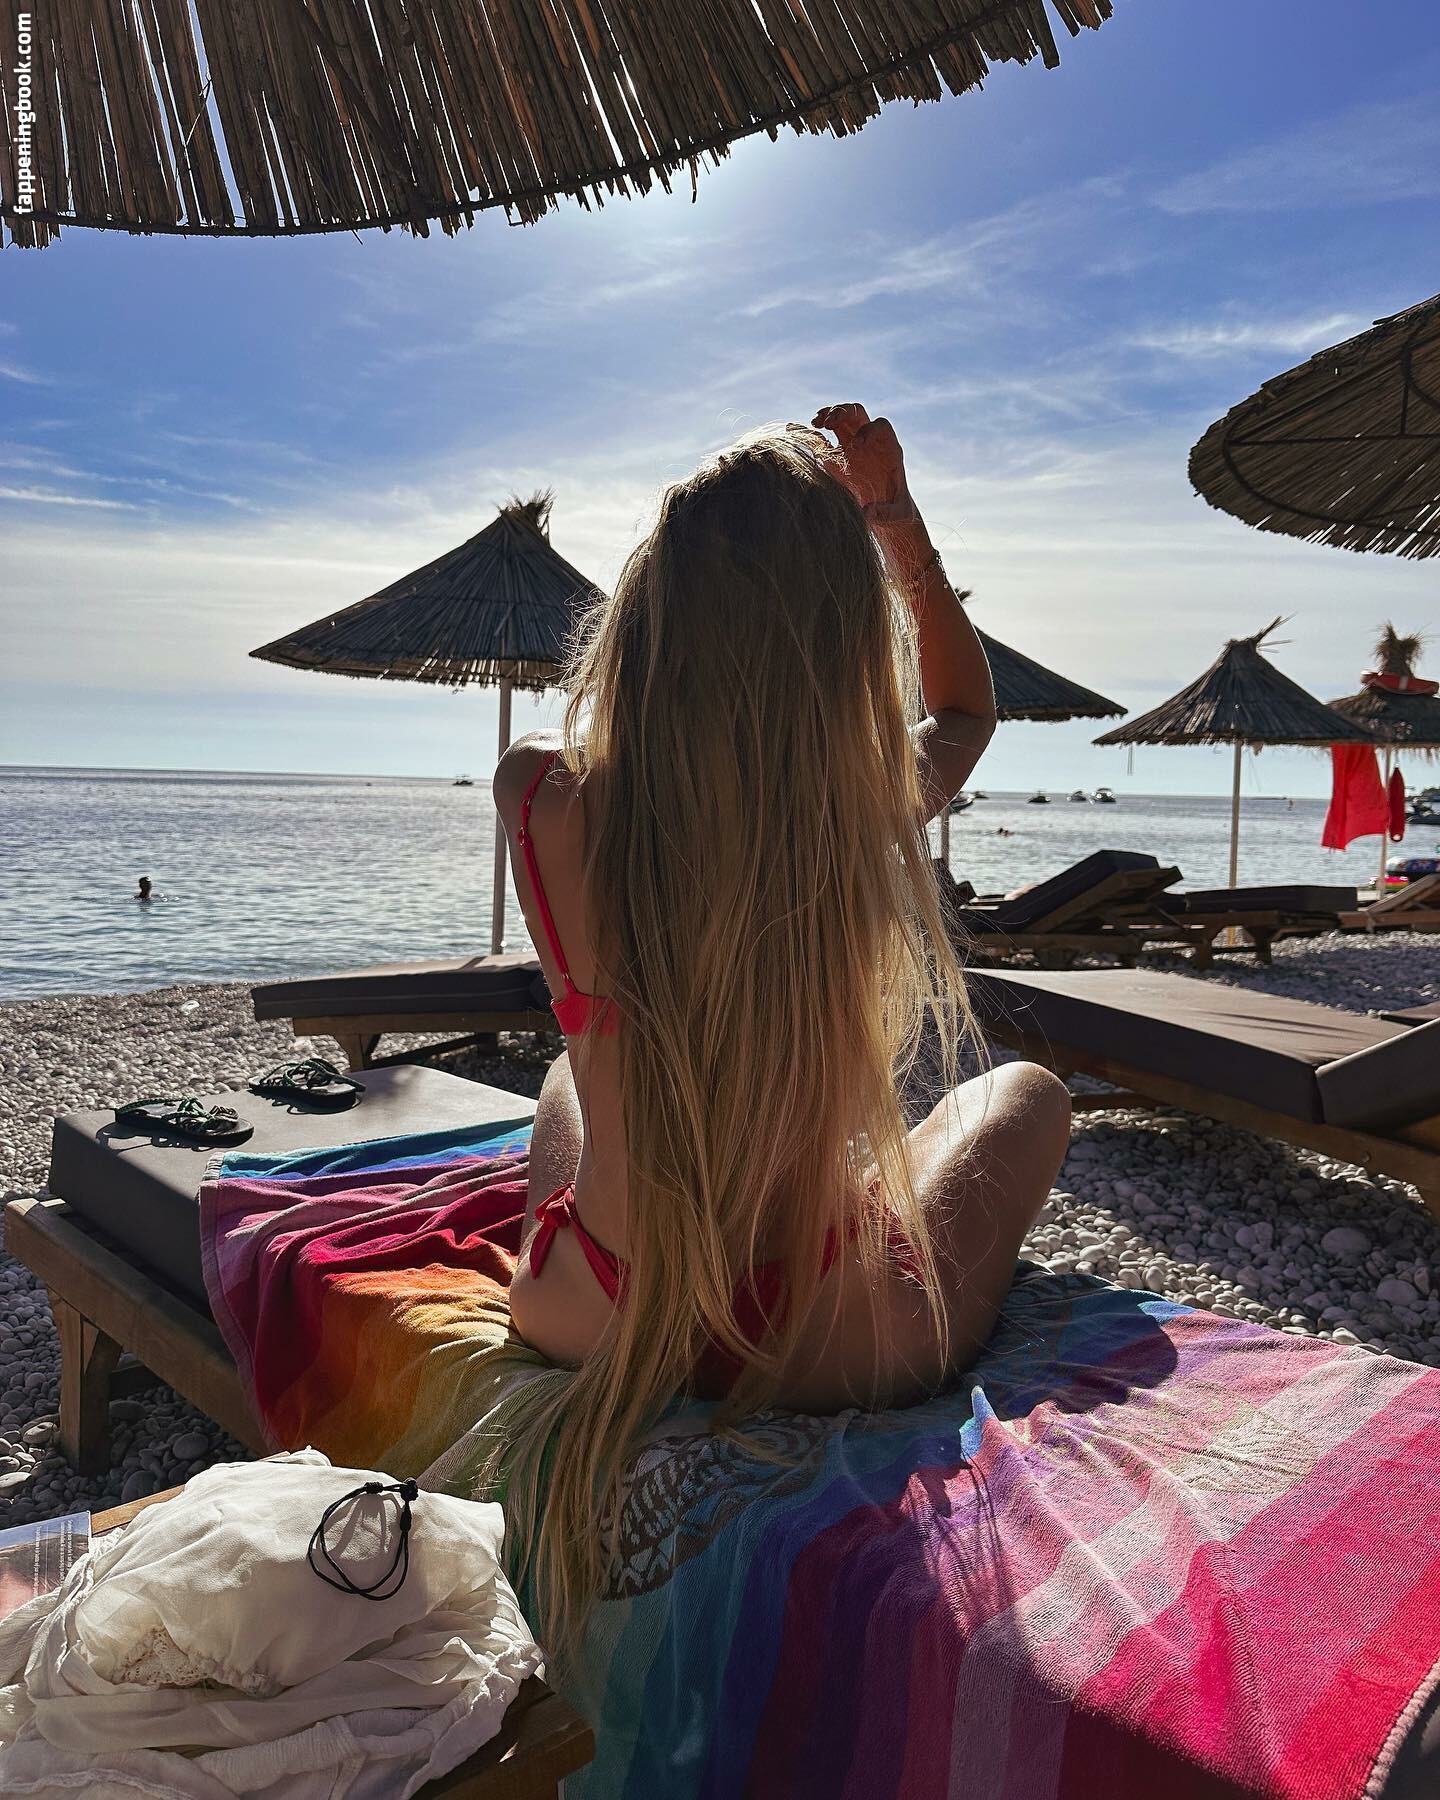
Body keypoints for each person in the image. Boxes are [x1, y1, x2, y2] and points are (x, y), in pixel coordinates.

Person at [491, 405, 1071, 1650]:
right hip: (826, 1336)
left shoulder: (542, 793)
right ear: (844, 643)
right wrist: (896, 525)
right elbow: (965, 710)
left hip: (593, 1310)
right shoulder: (853, 808)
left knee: (569, 1079)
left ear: (646, 613)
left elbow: (618, 755)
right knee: (1024, 1093)